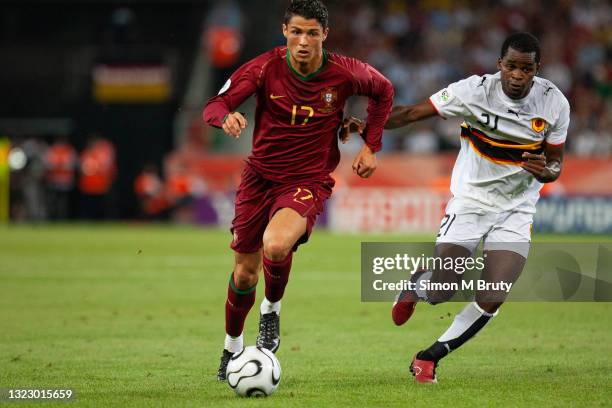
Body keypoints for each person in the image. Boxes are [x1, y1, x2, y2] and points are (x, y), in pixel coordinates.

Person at [344, 32, 569, 383]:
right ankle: (417, 285)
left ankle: (429, 358)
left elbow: (556, 163)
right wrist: (369, 126)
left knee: (494, 294)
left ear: (537, 69)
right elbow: (412, 112)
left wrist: (547, 171)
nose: (517, 75)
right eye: (511, 66)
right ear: (499, 65)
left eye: (526, 68)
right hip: (470, 202)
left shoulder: (555, 103)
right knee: (443, 290)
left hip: (517, 209)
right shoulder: (474, 91)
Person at [203, 0, 393, 381]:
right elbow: (216, 104)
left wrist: (372, 145)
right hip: (259, 179)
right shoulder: (264, 68)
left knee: (275, 245)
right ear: (284, 32)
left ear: (325, 34)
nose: (303, 41)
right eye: (296, 32)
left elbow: (383, 91)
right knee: (243, 275)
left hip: (306, 180)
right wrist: (227, 117)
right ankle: (232, 349)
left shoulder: (344, 72)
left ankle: (271, 312)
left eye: (311, 33)